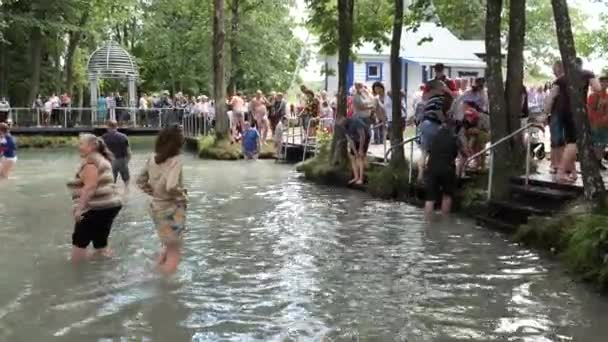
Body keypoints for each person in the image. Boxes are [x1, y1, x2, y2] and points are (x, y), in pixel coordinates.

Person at [137, 125, 187, 275]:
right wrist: (182, 196)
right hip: (172, 209)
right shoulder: (176, 160)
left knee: (168, 247)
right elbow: (171, 185)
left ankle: (156, 272)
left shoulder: (152, 158)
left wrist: (153, 193)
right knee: (175, 253)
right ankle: (166, 289)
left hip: (156, 207)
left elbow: (140, 181)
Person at [66, 133, 122, 262]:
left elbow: (90, 187)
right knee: (100, 243)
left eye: (81, 144)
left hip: (96, 207)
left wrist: (80, 209)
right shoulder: (101, 158)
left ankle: (76, 275)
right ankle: (108, 269)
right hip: (110, 205)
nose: (78, 146)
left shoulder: (91, 162)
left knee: (79, 244)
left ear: (91, 147)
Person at [547, 59, 601, 182]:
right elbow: (597, 88)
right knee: (573, 143)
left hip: (560, 112)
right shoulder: (587, 73)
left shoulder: (561, 78)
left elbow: (551, 97)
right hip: (575, 112)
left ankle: (573, 172)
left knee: (568, 143)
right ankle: (561, 172)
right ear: (581, 65)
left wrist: (545, 113)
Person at [424, 121, 467, 219]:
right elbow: (464, 156)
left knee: (430, 198)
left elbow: (426, 153)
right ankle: (445, 221)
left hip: (432, 168)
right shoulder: (455, 138)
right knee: (447, 195)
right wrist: (459, 172)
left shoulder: (434, 137)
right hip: (447, 169)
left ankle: (427, 223)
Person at [417, 80, 453, 183]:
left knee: (424, 151)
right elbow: (437, 112)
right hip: (433, 124)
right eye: (444, 86)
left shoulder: (430, 99)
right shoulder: (440, 99)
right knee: (435, 151)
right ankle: (432, 177)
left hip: (424, 124)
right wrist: (444, 122)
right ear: (440, 88)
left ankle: (420, 175)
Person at [340, 116, 369, 185]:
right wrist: (355, 151)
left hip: (365, 137)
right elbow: (350, 140)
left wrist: (360, 149)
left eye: (342, 122)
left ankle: (361, 179)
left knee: (360, 157)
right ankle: (356, 177)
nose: (341, 125)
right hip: (355, 139)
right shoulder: (344, 127)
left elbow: (362, 136)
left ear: (345, 119)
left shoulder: (355, 122)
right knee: (353, 157)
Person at [102, 120, 131, 187]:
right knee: (126, 181)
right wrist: (127, 162)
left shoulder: (103, 138)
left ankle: (112, 195)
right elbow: (128, 152)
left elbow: (101, 151)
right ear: (116, 126)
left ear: (108, 127)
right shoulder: (123, 136)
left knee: (111, 182)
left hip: (109, 161)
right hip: (122, 160)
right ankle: (126, 194)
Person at [587, 76, 608, 169]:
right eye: (603, 82)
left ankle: (599, 161)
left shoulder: (607, 96)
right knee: (596, 143)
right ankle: (595, 161)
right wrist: (593, 122)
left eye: (606, 82)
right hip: (596, 123)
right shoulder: (593, 96)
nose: (605, 84)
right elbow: (590, 111)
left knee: (603, 143)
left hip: (605, 124)